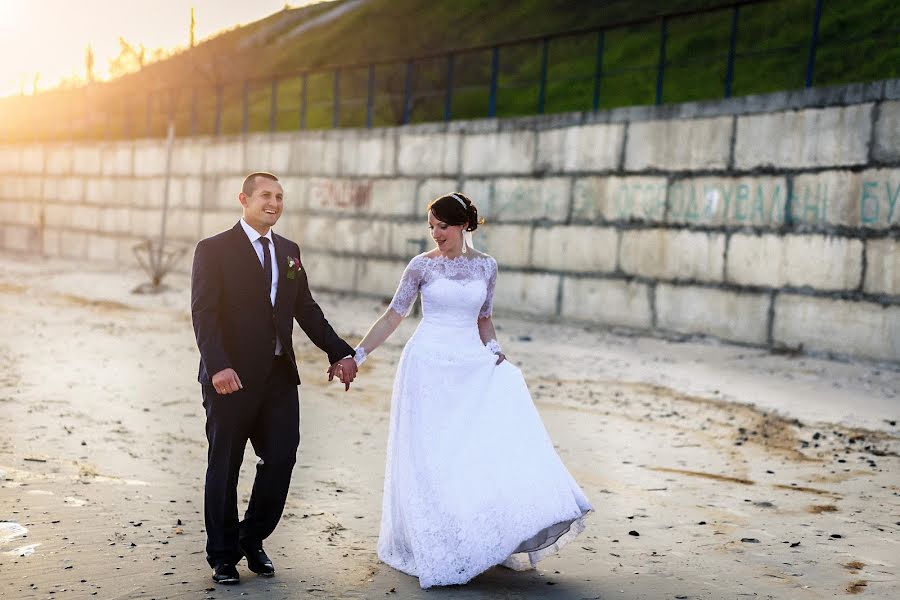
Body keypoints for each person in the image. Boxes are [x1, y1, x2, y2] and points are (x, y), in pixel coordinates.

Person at [348, 192, 592, 588]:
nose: (436, 234)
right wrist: (357, 356)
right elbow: (395, 315)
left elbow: (484, 318)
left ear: (463, 225)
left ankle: (479, 536)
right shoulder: (421, 266)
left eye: (442, 226)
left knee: (471, 451)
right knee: (432, 455)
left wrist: (496, 353)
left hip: (469, 366)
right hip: (426, 366)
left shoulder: (487, 268)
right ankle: (438, 542)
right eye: (431, 227)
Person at [190, 172, 358, 585]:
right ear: (243, 199)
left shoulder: (288, 250)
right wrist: (217, 366)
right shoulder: (213, 250)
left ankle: (251, 536)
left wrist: (339, 351)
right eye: (266, 195)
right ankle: (223, 556)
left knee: (281, 457)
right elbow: (204, 313)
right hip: (230, 377)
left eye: (280, 196)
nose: (274, 202)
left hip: (280, 377)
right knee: (225, 465)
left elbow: (306, 308)